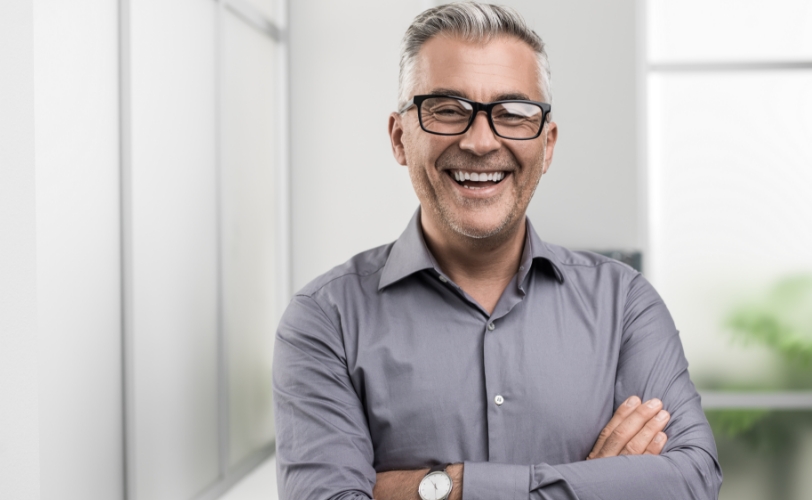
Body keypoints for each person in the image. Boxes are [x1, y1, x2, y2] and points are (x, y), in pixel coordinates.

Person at [273, 3, 722, 499]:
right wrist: (593, 484)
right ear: (400, 138)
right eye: (446, 110)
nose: (482, 141)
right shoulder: (324, 322)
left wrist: (449, 487)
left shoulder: (625, 305)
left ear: (547, 145)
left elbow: (692, 482)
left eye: (512, 114)